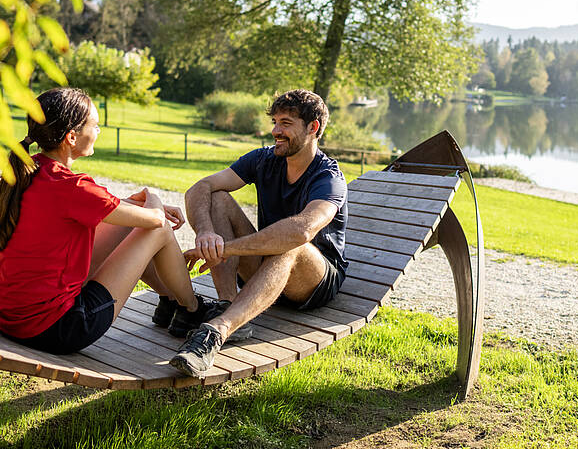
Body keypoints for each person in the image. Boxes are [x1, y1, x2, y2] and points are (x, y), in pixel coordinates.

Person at [0, 87, 218, 355]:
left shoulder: (26, 171)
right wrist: (153, 197)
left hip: (11, 320)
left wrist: (134, 204)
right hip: (60, 328)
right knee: (158, 229)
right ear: (71, 137)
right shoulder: (73, 187)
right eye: (96, 125)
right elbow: (156, 219)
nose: (99, 131)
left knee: (130, 221)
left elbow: (101, 207)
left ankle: (170, 300)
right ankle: (191, 309)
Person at [170, 89, 347, 377]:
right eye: (275, 122)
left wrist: (224, 249)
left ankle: (218, 330)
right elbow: (200, 188)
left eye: (286, 123)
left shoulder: (328, 178)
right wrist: (205, 234)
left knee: (292, 244)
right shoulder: (264, 159)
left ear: (313, 128)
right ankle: (227, 301)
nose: (276, 131)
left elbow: (302, 230)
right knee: (218, 197)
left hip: (313, 280)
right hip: (265, 265)